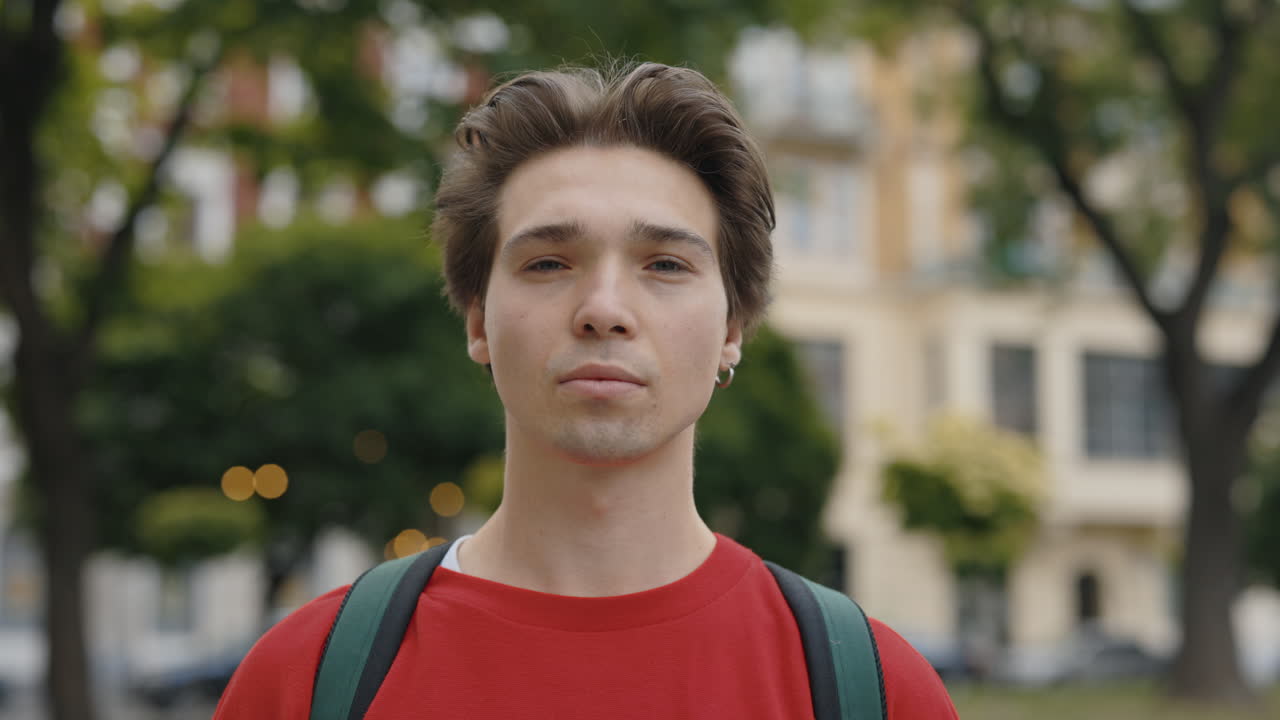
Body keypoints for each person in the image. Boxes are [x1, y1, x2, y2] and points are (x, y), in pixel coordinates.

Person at [214, 61, 958, 719]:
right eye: (548, 263)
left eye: (665, 264)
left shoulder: (875, 691)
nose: (604, 309)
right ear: (477, 319)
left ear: (733, 326)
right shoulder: (304, 683)